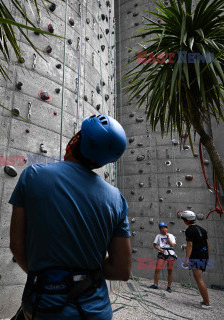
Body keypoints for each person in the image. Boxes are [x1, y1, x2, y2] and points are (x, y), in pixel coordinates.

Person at [9, 114, 132, 320]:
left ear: (77, 140)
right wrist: (84, 267)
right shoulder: (116, 199)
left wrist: (51, 273)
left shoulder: (33, 176)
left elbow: (16, 245)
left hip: (45, 307)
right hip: (97, 312)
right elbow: (121, 270)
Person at [180, 210, 211, 309]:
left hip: (196, 256)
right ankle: (205, 300)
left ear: (186, 220)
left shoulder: (189, 230)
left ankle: (207, 303)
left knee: (199, 280)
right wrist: (206, 256)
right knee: (200, 279)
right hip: (204, 256)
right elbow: (207, 244)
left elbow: (189, 245)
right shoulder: (202, 229)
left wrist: (187, 259)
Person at [148, 222, 177, 292]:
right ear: (160, 229)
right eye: (161, 228)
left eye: (164, 228)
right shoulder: (158, 236)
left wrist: (168, 237)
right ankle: (155, 284)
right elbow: (154, 245)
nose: (163, 229)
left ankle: (169, 287)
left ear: (167, 228)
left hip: (170, 253)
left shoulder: (171, 235)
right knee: (157, 269)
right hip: (162, 253)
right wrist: (159, 249)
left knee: (170, 270)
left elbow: (172, 245)